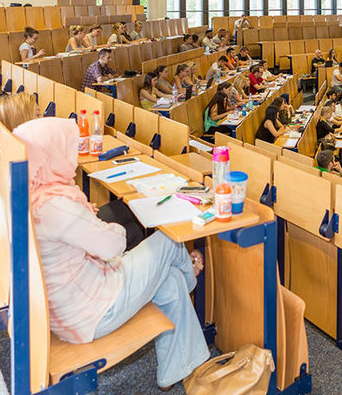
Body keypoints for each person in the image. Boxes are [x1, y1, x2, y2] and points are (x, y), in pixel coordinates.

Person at [12, 117, 209, 391]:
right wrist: (103, 226)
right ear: (50, 155)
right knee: (169, 240)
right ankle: (193, 272)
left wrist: (88, 222)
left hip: (68, 307)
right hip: (94, 312)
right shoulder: (55, 205)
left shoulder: (31, 194)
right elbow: (113, 245)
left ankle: (179, 369)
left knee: (170, 278)